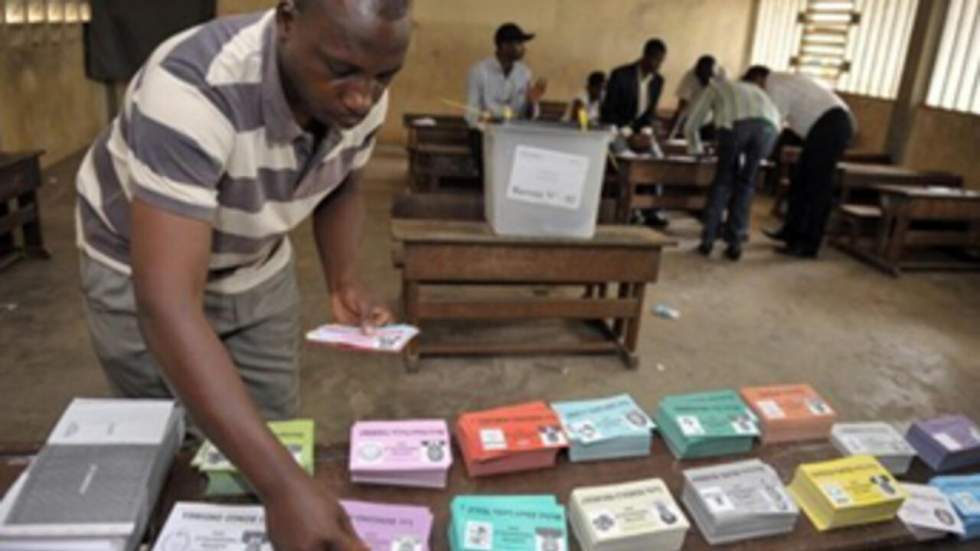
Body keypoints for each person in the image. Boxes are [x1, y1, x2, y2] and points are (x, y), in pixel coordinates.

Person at [74, 1, 411, 549]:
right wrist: (282, 490)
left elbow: (344, 176)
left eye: (384, 78)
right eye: (343, 71)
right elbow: (168, 304)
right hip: (141, 271)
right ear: (286, 22)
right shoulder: (191, 89)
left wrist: (342, 279)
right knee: (181, 459)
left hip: (256, 264)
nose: (362, 98)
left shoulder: (362, 81)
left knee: (273, 439)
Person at [745, 66, 856, 258]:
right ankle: (791, 232)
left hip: (832, 124)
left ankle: (808, 244)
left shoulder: (774, 85)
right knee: (799, 181)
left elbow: (773, 123)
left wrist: (759, 152)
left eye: (755, 88)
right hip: (824, 127)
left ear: (759, 79)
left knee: (816, 187)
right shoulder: (782, 80)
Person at [685, 73, 781, 261]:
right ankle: (735, 242)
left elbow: (693, 122)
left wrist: (695, 148)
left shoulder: (714, 86)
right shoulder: (757, 90)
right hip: (770, 129)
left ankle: (708, 239)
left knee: (723, 182)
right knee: (746, 185)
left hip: (736, 127)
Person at [601, 38, 669, 227]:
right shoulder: (621, 75)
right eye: (655, 59)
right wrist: (630, 135)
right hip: (616, 129)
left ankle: (653, 210)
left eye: (661, 61)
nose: (658, 65)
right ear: (645, 56)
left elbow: (650, 113)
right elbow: (609, 111)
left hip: (640, 131)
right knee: (629, 161)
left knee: (658, 160)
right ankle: (631, 209)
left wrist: (646, 134)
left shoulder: (658, 81)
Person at [465, 22, 547, 172]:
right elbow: (471, 115)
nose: (524, 49)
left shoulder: (524, 73)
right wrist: (493, 123)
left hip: (514, 131)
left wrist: (531, 102)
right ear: (504, 46)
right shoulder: (479, 71)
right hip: (486, 131)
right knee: (482, 147)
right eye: (519, 44)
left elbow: (527, 115)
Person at [669, 55, 727, 139]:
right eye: (701, 77)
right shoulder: (690, 76)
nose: (704, 80)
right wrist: (672, 131)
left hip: (711, 122)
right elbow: (681, 105)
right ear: (697, 73)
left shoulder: (722, 77)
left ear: (713, 74)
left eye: (708, 76)